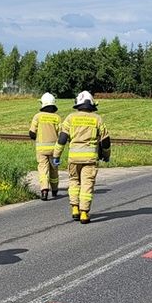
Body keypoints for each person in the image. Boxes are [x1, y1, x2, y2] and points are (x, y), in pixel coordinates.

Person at [52, 91, 111, 224]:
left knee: (73, 182)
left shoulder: (70, 118)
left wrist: (56, 155)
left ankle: (74, 209)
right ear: (91, 105)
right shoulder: (97, 119)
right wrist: (106, 155)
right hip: (90, 159)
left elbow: (62, 139)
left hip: (74, 158)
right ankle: (84, 213)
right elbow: (106, 140)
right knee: (87, 185)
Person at [29, 92, 61, 200]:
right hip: (54, 149)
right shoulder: (57, 118)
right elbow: (61, 134)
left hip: (41, 149)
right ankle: (55, 190)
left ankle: (44, 191)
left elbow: (32, 134)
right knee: (54, 169)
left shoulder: (37, 117)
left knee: (43, 169)